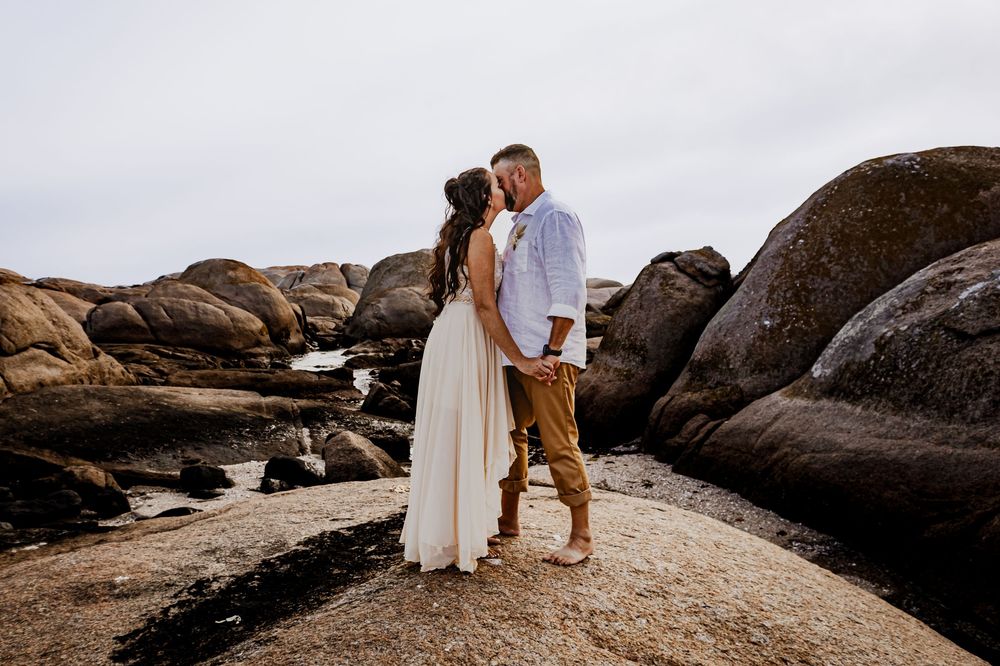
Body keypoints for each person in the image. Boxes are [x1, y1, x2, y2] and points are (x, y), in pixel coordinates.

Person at [400, 167, 553, 573]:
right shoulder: (480, 237)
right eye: (495, 185)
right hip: (467, 337)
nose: (503, 188)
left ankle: (457, 527)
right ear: (487, 199)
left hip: (451, 335)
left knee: (456, 432)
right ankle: (458, 533)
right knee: (465, 431)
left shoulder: (459, 236)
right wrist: (522, 359)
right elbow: (485, 305)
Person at [491, 144, 594, 566]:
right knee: (508, 435)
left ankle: (582, 536)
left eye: (499, 181)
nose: (496, 189)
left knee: (557, 441)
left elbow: (568, 289)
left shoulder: (556, 216)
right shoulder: (520, 224)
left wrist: (552, 352)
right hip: (516, 356)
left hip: (547, 355)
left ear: (519, 174)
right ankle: (509, 520)